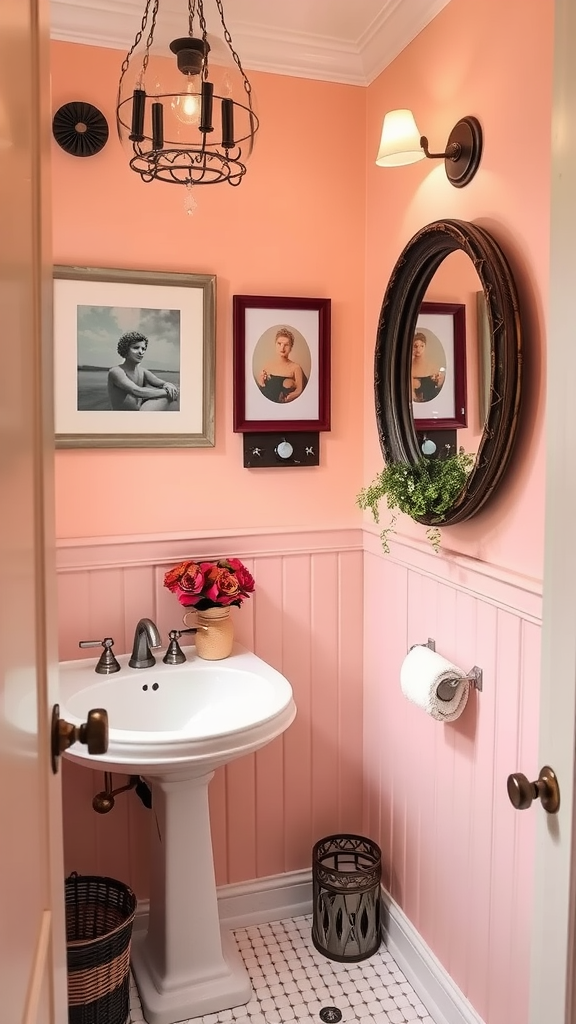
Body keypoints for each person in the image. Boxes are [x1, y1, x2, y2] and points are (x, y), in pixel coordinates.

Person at [107, 331, 180, 411]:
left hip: (139, 414)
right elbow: (137, 391)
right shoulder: (116, 371)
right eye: (136, 348)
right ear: (125, 349)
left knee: (176, 399)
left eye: (143, 349)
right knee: (173, 395)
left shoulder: (143, 371)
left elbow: (160, 383)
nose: (141, 352)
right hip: (123, 418)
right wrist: (169, 392)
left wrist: (167, 385)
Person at [257, 327, 308, 403]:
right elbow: (261, 388)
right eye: (279, 343)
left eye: (286, 345)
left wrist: (291, 397)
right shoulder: (267, 366)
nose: (282, 348)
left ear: (291, 348)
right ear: (275, 344)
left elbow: (299, 391)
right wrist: (261, 382)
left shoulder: (296, 368)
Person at [411, 331, 445, 403]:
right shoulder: (408, 368)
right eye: (415, 346)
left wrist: (440, 382)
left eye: (421, 346)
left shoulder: (433, 367)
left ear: (425, 346)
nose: (418, 349)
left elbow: (438, 388)